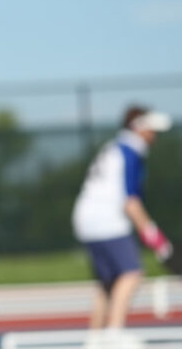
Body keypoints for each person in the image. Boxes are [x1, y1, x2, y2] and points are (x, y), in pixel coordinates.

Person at [72, 105, 173, 330]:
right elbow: (131, 202)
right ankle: (114, 336)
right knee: (131, 273)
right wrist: (155, 238)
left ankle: (95, 339)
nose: (154, 135)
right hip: (106, 219)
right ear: (138, 128)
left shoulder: (114, 147)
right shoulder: (131, 151)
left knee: (108, 284)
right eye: (151, 130)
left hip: (85, 218)